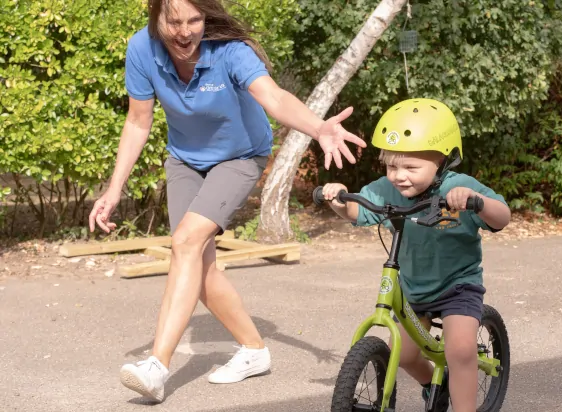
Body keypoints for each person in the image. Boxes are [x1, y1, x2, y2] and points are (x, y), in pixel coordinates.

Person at [87, 0, 366, 403]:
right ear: (156, 17)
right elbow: (137, 121)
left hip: (239, 157)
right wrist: (114, 188)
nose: (184, 32)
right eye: (174, 21)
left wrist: (318, 127)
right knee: (198, 267)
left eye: (195, 20)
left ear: (207, 17)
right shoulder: (142, 49)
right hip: (185, 158)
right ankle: (254, 350)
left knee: (185, 242)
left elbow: (275, 98)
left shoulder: (231, 52)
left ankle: (156, 367)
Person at [321, 98, 511, 412]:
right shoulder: (387, 189)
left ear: (443, 160)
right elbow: (357, 211)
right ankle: (434, 386)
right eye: (392, 165)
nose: (398, 175)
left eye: (411, 167)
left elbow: (502, 217)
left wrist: (476, 201)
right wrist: (338, 200)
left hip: (457, 287)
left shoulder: (459, 186)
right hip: (412, 289)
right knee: (406, 356)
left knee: (461, 350)